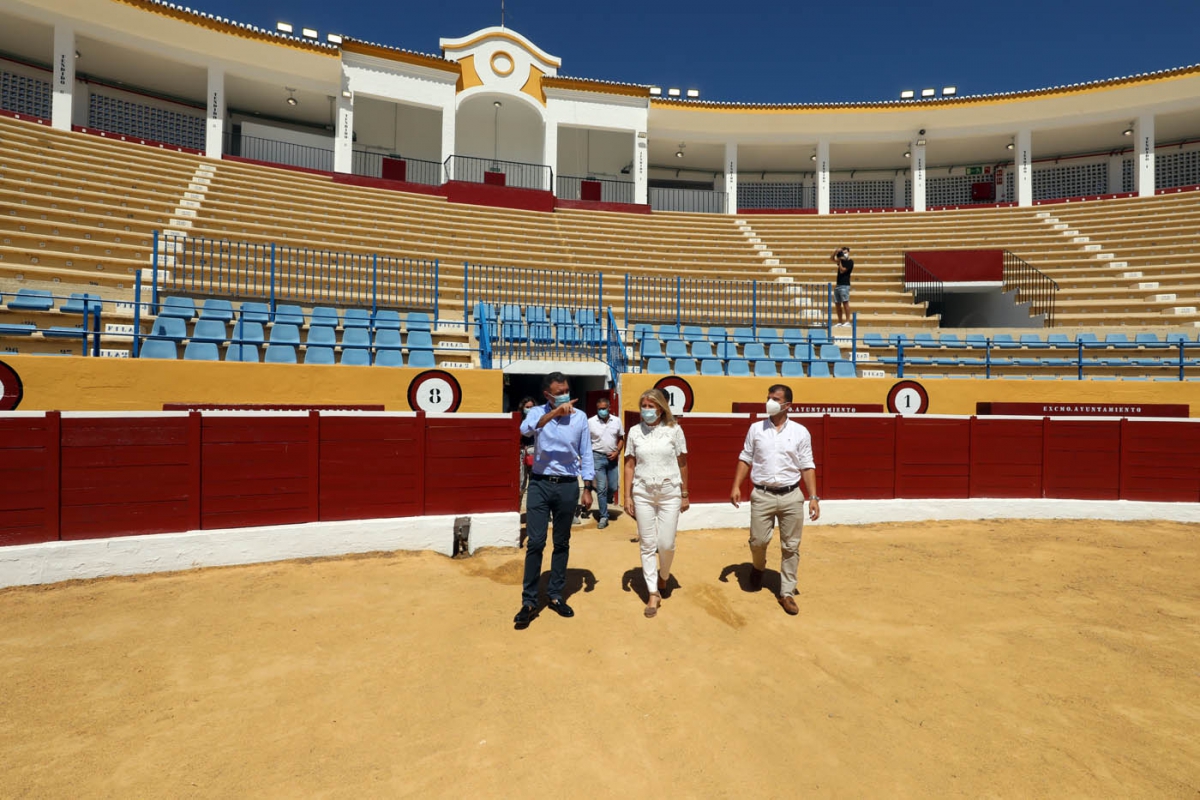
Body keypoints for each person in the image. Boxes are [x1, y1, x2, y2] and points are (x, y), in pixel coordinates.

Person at [728, 384, 820, 616]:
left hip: (791, 495)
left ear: (787, 405)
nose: (769, 402)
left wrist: (813, 497)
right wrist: (736, 485)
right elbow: (745, 457)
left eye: (775, 399)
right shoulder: (756, 429)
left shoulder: (800, 432)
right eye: (768, 397)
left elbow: (807, 466)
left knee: (791, 546)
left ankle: (786, 592)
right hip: (762, 494)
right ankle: (758, 567)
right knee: (757, 541)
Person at [514, 372, 595, 628]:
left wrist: (588, 486)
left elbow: (586, 452)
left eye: (567, 390)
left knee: (561, 542)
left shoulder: (580, 417)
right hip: (540, 483)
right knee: (536, 542)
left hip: (568, 486)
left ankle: (556, 595)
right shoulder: (537, 412)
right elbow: (525, 430)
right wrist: (554, 414)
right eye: (559, 391)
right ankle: (528, 601)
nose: (565, 395)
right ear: (547, 394)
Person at [623, 389, 689, 618]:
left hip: (670, 491)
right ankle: (653, 592)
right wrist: (627, 495)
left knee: (667, 544)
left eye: (651, 406)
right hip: (642, 492)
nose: (646, 410)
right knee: (647, 543)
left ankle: (664, 575)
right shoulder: (633, 432)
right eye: (644, 406)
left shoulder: (674, 430)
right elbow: (630, 465)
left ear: (661, 408)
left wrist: (685, 493)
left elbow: (682, 463)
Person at [588, 396, 625, 529]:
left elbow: (621, 438)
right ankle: (604, 516)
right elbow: (586, 441)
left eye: (604, 408)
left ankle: (607, 497)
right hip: (597, 456)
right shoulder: (590, 422)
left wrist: (617, 452)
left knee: (613, 487)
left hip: (612, 458)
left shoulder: (616, 421)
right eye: (599, 409)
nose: (602, 411)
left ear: (609, 408)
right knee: (601, 488)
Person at [517, 396, 536, 499]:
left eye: (531, 407)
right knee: (521, 482)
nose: (529, 409)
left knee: (535, 482)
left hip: (535, 451)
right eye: (527, 407)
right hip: (522, 453)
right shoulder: (518, 420)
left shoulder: (539, 420)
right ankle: (517, 509)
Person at [830, 246, 854, 327]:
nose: (844, 254)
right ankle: (840, 321)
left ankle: (847, 321)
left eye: (846, 252)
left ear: (849, 252)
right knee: (837, 304)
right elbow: (831, 259)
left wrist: (839, 262)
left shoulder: (850, 262)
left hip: (845, 285)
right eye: (843, 252)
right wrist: (835, 252)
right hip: (838, 284)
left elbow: (842, 270)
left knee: (845, 303)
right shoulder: (841, 261)